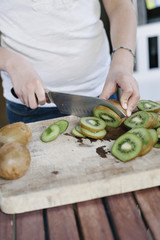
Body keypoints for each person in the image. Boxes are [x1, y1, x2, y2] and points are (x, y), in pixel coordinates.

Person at [0, 0, 140, 124]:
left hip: (103, 94)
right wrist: (12, 64)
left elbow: (119, 5)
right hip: (29, 107)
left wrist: (122, 64)